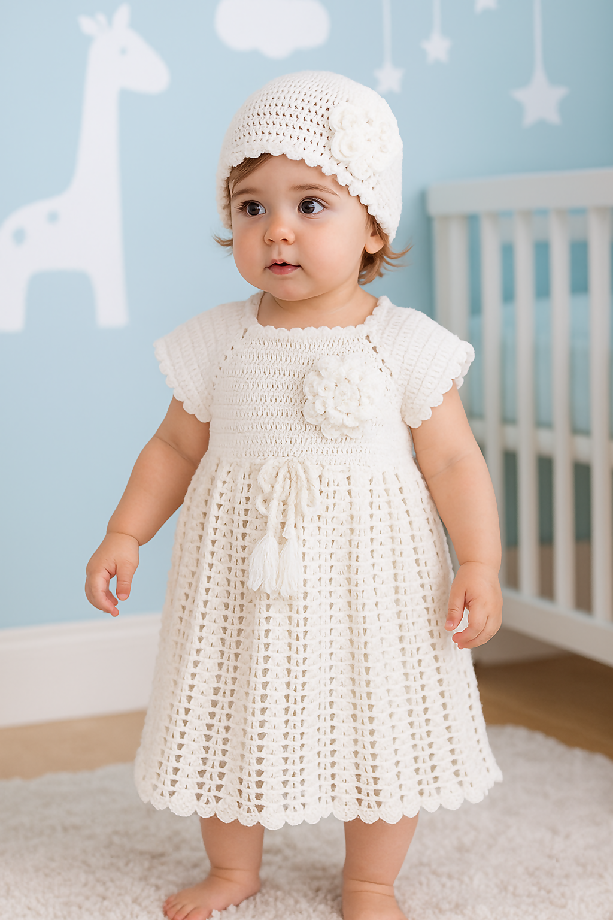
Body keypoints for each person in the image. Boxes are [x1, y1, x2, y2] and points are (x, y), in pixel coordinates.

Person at [85, 70, 503, 920]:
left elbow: (455, 462)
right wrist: (124, 531)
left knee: (379, 720)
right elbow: (173, 445)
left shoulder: (405, 344)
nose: (277, 229)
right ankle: (233, 870)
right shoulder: (217, 340)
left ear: (372, 225)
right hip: (241, 584)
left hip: (375, 584)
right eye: (250, 207)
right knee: (231, 712)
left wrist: (481, 561)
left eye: (310, 204)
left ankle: (369, 881)